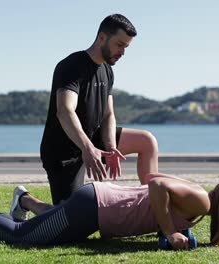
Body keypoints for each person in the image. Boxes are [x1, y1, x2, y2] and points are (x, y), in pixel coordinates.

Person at [0, 174, 219, 250]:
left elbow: (156, 186)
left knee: (42, 226)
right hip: (95, 207)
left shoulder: (199, 205)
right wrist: (169, 230)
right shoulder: (203, 202)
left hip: (97, 207)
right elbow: (156, 186)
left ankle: (24, 201)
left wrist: (168, 229)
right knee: (22, 237)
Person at [40, 13, 158, 207]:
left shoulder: (107, 70)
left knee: (147, 141)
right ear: (102, 37)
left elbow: (108, 114)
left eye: (126, 47)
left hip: (94, 139)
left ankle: (155, 206)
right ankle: (25, 200)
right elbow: (64, 110)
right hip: (64, 150)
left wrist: (111, 147)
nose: (122, 52)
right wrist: (87, 149)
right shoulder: (72, 66)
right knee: (69, 219)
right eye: (119, 45)